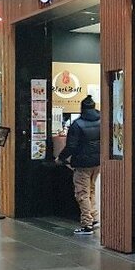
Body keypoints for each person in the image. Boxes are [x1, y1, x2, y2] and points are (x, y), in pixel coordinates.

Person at [57, 95, 101, 235]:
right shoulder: (102, 120)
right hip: (97, 162)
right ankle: (94, 217)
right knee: (91, 190)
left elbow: (71, 146)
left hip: (82, 163)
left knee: (82, 193)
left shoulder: (77, 124)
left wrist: (61, 158)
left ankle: (87, 224)